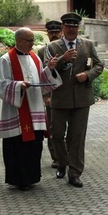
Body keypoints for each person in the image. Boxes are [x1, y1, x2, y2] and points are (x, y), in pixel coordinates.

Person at [0, 28, 62, 190]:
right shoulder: (6, 60)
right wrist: (19, 85)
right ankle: (19, 179)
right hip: (16, 111)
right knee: (17, 147)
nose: (32, 44)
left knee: (34, 146)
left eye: (33, 41)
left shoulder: (35, 58)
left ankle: (32, 177)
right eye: (29, 41)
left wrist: (50, 69)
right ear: (19, 41)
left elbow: (41, 78)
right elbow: (1, 84)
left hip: (34, 109)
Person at [44, 13, 104, 188]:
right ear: (63, 27)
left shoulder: (87, 45)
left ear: (78, 28)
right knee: (56, 135)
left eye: (74, 27)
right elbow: (47, 70)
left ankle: (74, 173)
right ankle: (62, 162)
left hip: (81, 99)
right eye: (68, 26)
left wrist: (87, 75)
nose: (71, 30)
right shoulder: (53, 47)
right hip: (60, 98)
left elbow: (99, 65)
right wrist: (64, 58)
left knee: (77, 137)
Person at [38, 20, 63, 168]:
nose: (54, 35)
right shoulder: (42, 52)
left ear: (61, 32)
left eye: (56, 32)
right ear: (47, 33)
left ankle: (69, 156)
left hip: (67, 93)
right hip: (52, 95)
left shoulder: (66, 48)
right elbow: (40, 74)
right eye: (51, 32)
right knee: (54, 128)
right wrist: (46, 96)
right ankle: (56, 158)